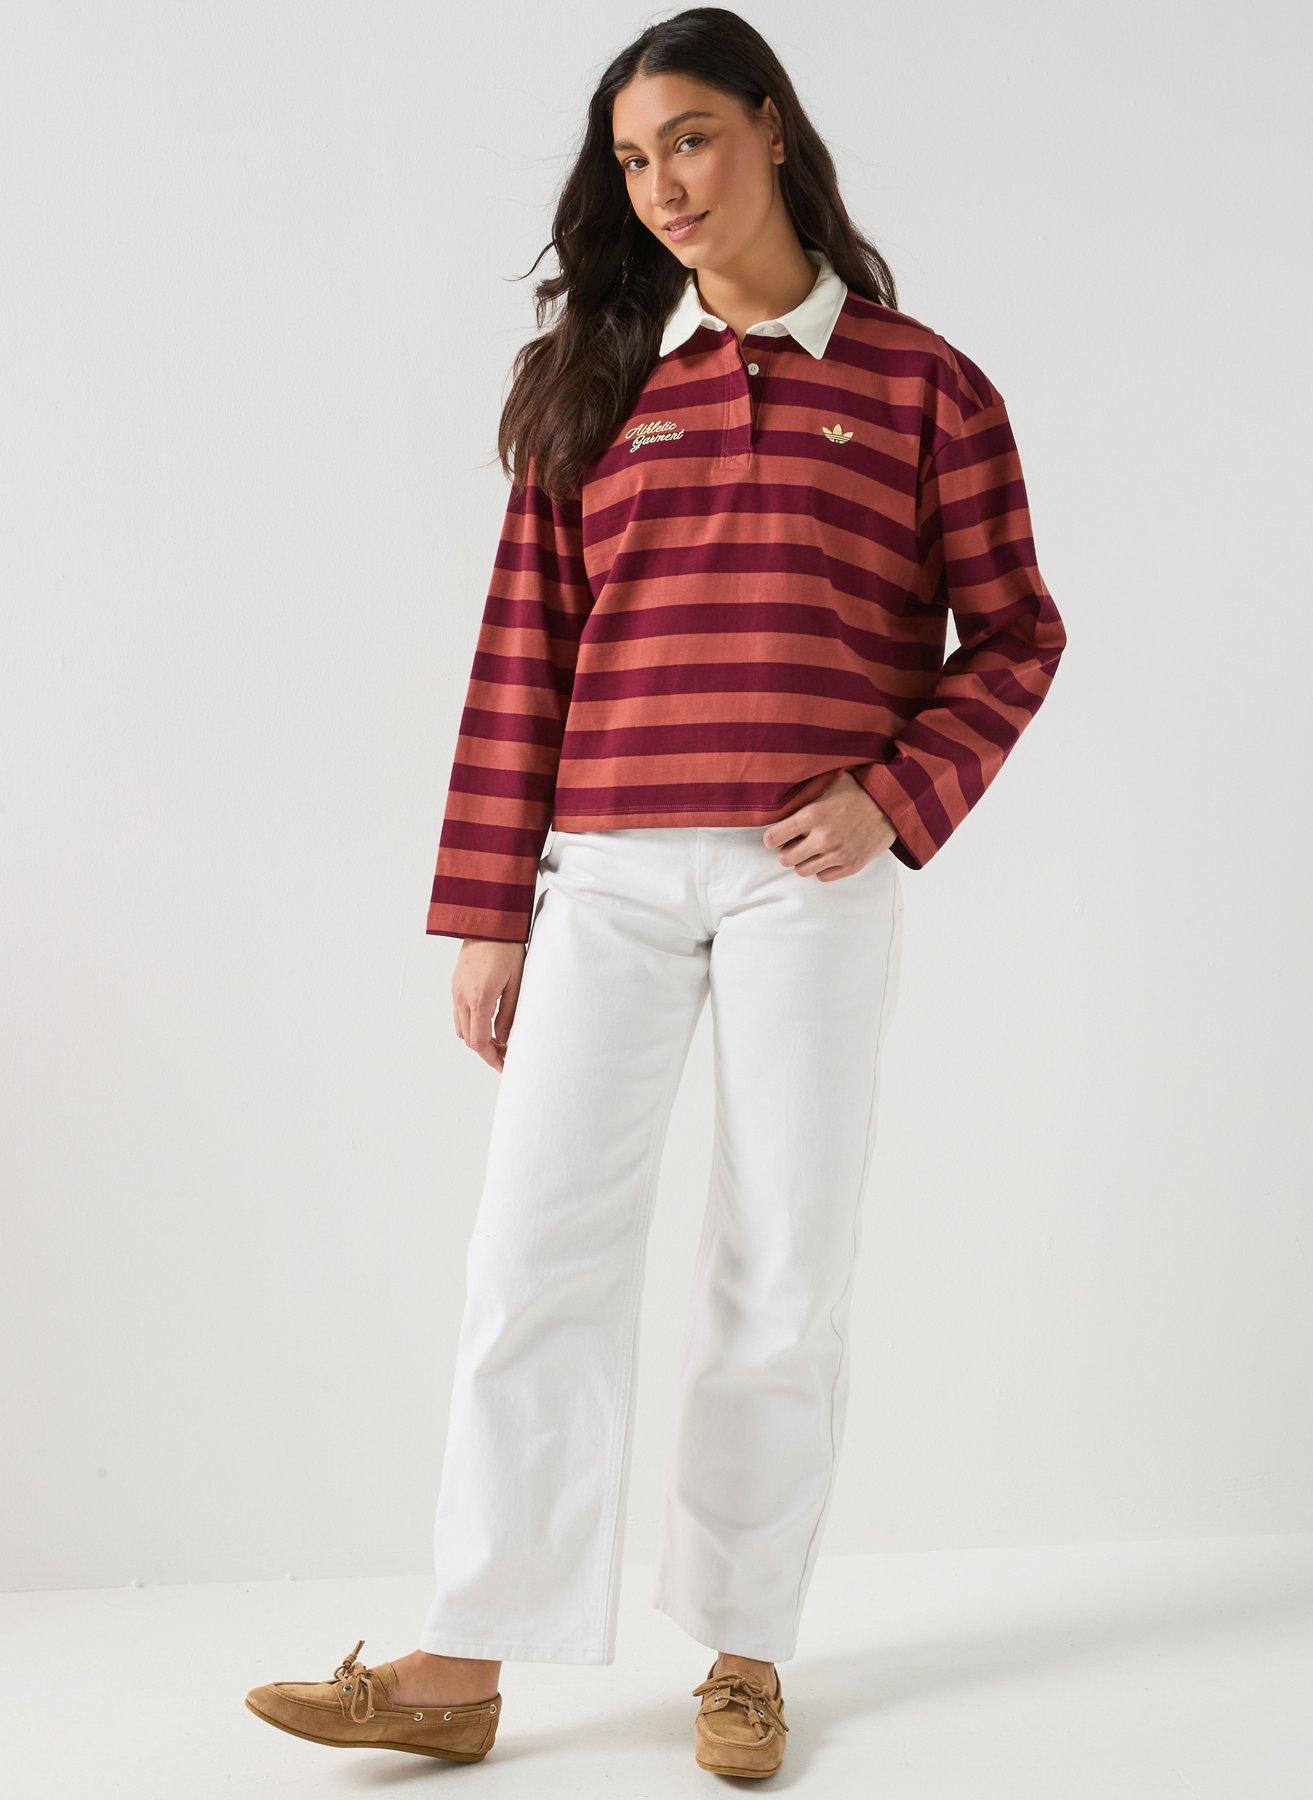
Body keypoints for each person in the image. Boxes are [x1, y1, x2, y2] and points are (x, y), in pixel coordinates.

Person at [244, 5, 1067, 1778]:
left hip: (804, 884)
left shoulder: (922, 384)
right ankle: (464, 1660)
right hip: (603, 874)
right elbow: (521, 656)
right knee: (532, 1252)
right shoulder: (598, 383)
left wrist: (893, 797)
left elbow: (1014, 631)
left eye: (688, 138)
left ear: (768, 128)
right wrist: (488, 913)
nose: (664, 185)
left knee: (781, 1267)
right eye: (632, 161)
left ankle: (744, 1656)